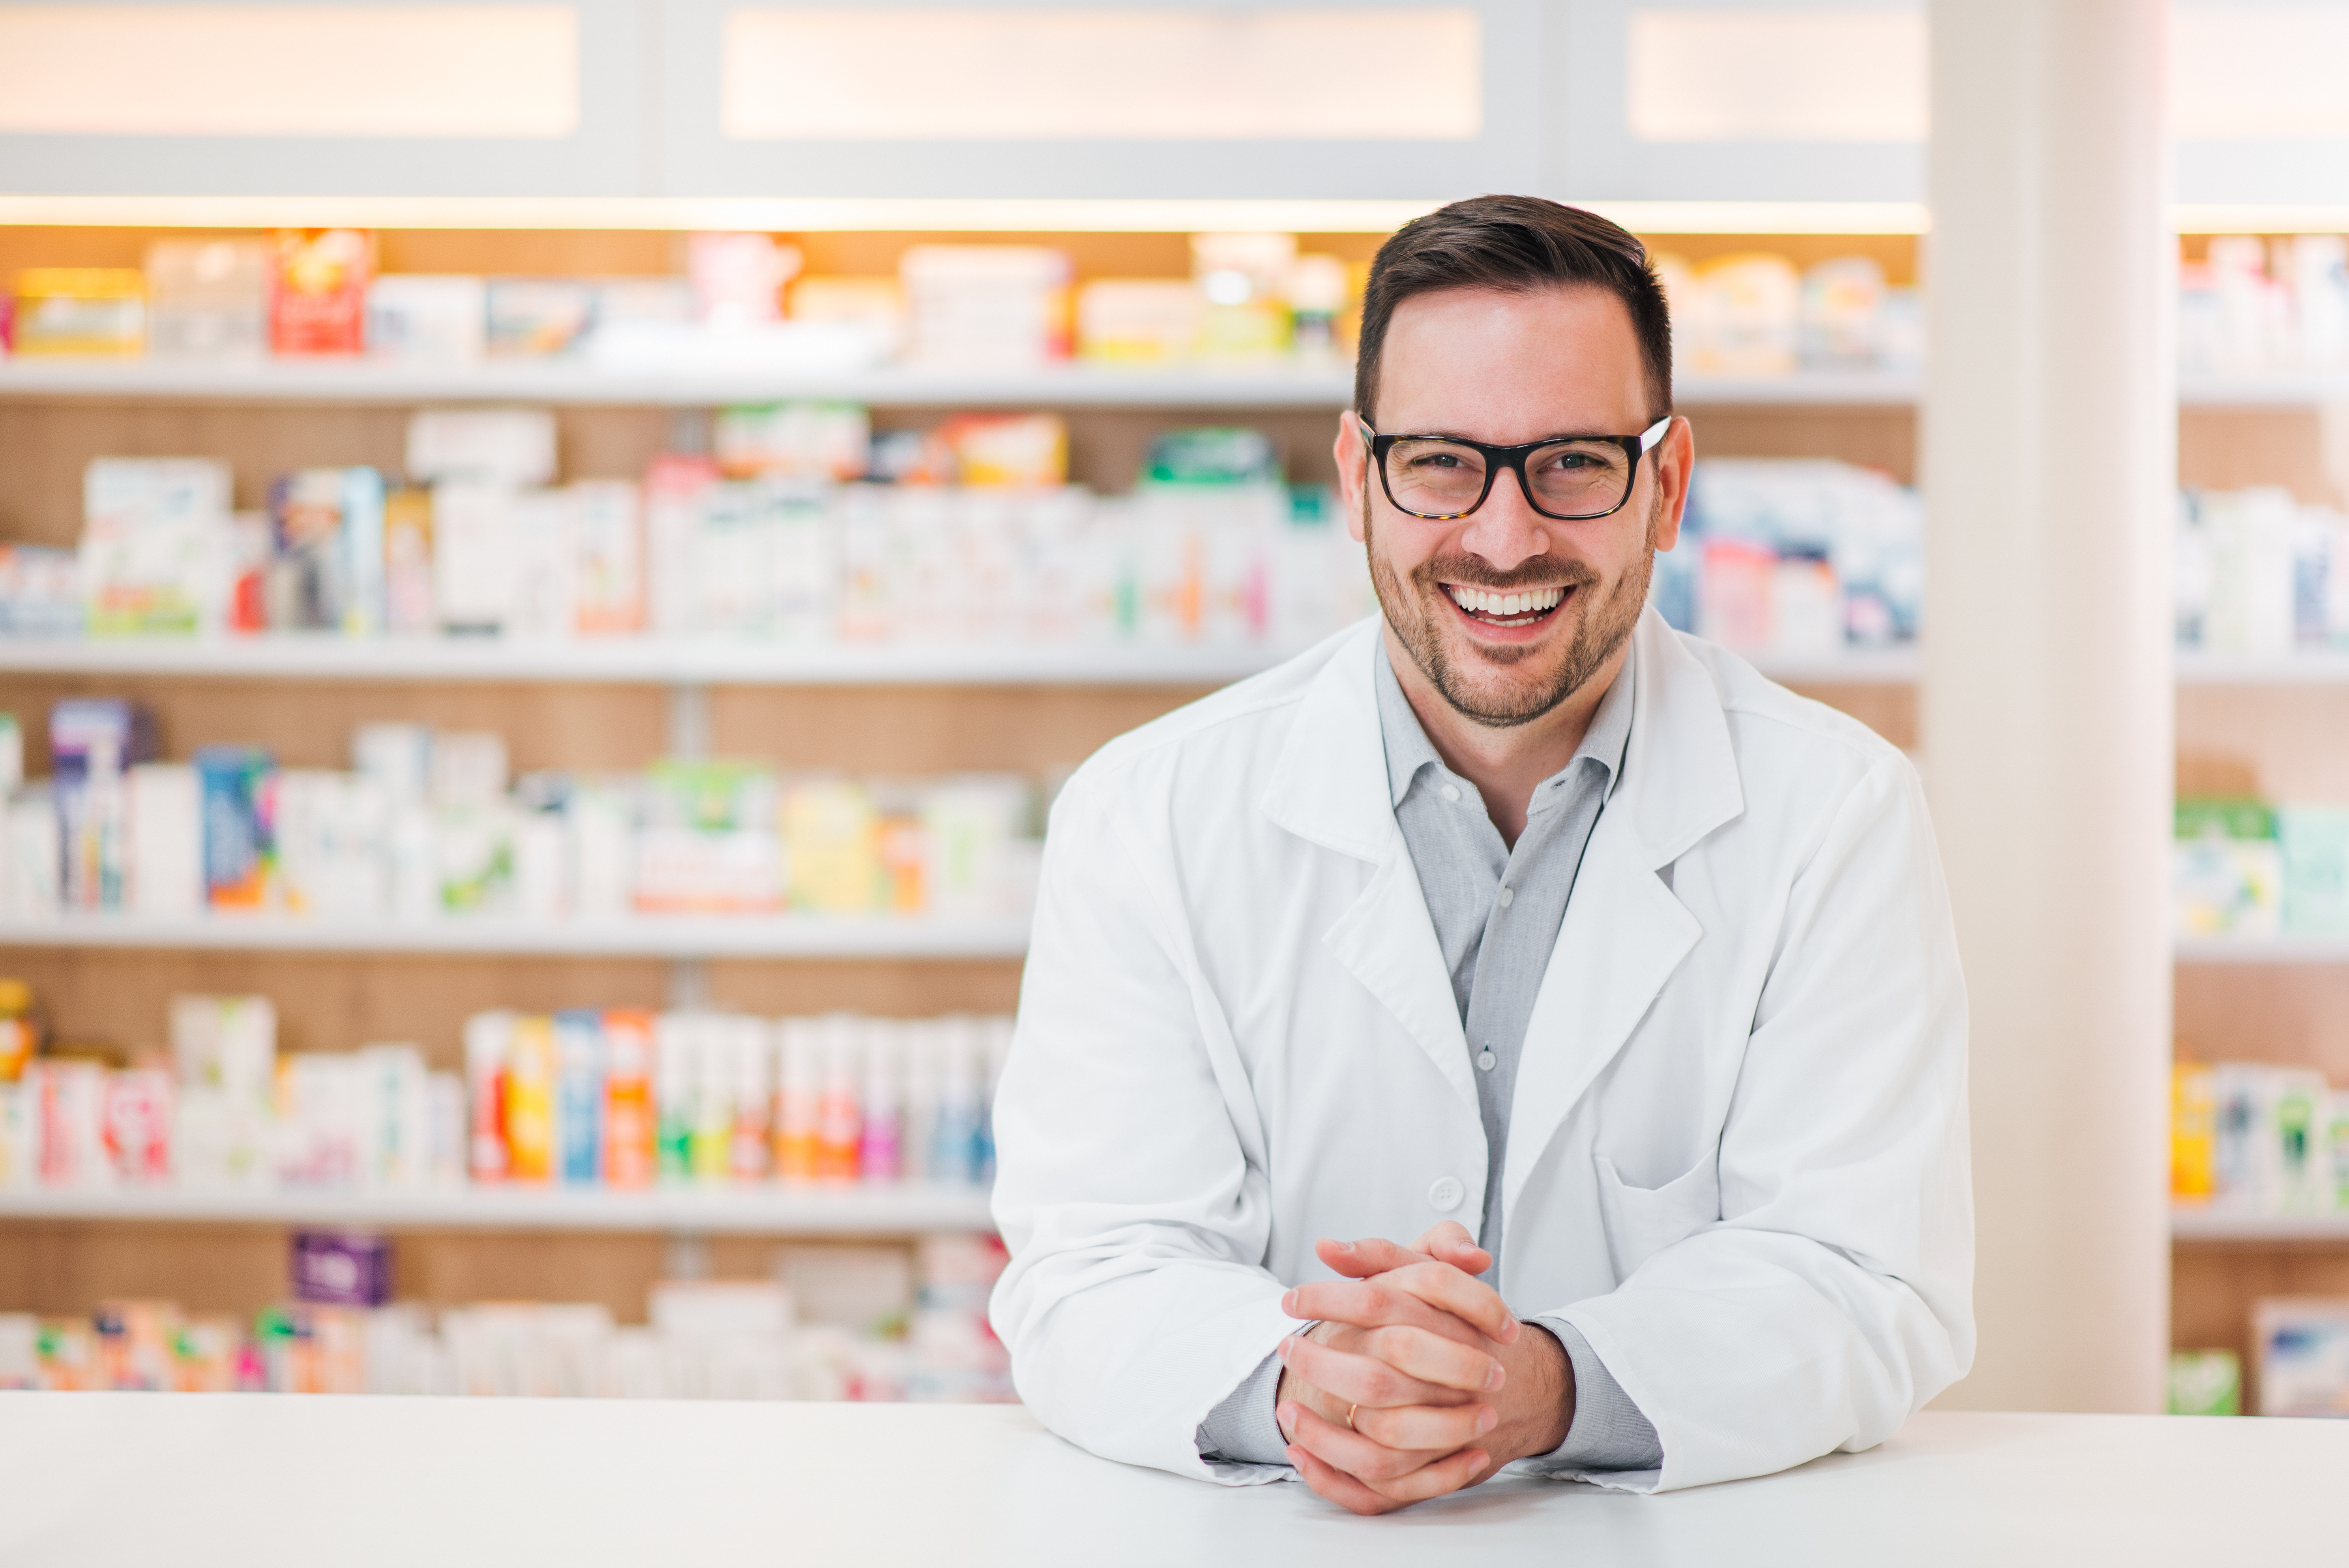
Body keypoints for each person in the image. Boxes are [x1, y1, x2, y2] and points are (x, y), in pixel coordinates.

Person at [987, 195, 1972, 1514]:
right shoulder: (1149, 814)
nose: (1504, 538)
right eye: (1443, 461)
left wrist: (1542, 1384)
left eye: (1571, 462)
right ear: (1356, 477)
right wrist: (1308, 1391)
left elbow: (1864, 1276)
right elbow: (1089, 1266)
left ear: (1665, 484)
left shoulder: (1835, 812)